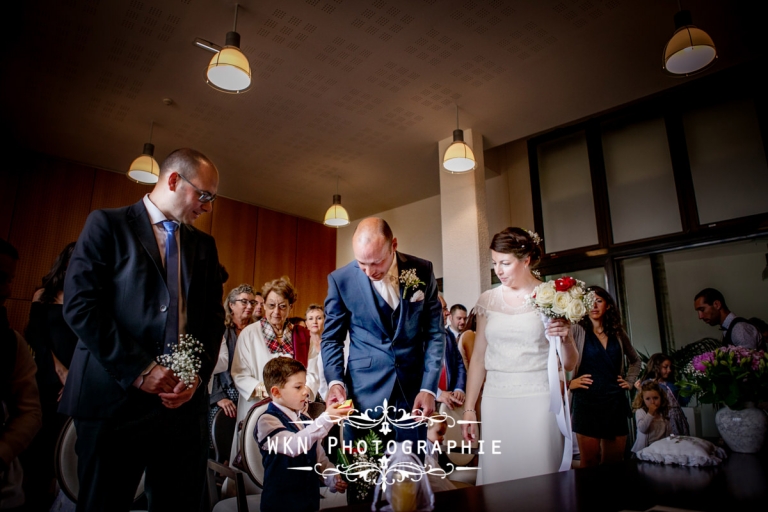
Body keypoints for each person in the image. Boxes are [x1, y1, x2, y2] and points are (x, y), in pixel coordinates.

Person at [60, 148, 226, 512]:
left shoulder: (204, 247)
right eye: (205, 195)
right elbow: (80, 305)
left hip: (181, 405)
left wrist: (195, 374)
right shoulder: (107, 224)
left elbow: (213, 319)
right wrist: (141, 370)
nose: (208, 206)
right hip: (114, 400)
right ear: (173, 181)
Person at [461, 228, 578, 484]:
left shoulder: (552, 298)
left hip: (538, 399)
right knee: (499, 476)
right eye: (494, 263)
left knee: (538, 473)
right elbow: (479, 358)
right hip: (496, 399)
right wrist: (470, 409)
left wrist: (566, 337)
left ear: (525, 260)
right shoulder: (487, 301)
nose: (498, 271)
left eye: (505, 263)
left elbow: (569, 364)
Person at [322, 217, 444, 450]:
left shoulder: (422, 270)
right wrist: (335, 382)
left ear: (393, 245)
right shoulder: (341, 280)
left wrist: (428, 388)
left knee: (409, 476)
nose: (369, 271)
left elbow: (435, 334)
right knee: (363, 476)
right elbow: (331, 339)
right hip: (363, 394)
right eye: (361, 263)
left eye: (376, 263)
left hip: (413, 394)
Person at [21, 242, 78, 511]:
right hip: (45, 376)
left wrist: (74, 379)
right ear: (65, 263)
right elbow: (36, 338)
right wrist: (59, 371)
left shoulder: (88, 299)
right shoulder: (43, 295)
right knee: (35, 446)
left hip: (75, 383)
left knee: (61, 451)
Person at [230, 277, 319, 446]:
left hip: (293, 411)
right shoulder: (250, 333)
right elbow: (240, 373)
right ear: (263, 305)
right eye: (271, 305)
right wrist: (266, 390)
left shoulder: (303, 336)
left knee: (288, 456)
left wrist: (304, 390)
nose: (276, 312)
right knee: (257, 459)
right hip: (258, 407)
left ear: (291, 307)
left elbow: (313, 371)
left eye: (282, 306)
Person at [255, 357, 348, 512]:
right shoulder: (267, 421)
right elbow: (293, 446)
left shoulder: (306, 420)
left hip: (310, 504)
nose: (306, 391)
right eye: (298, 387)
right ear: (276, 392)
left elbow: (319, 460)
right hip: (279, 506)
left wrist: (332, 478)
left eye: (304, 385)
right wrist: (327, 419)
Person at [569, 286, 641, 468]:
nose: (594, 305)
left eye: (599, 300)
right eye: (589, 301)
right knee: (589, 462)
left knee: (614, 462)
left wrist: (630, 382)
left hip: (614, 400)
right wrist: (570, 383)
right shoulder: (576, 330)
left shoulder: (617, 332)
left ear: (608, 305)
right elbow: (558, 360)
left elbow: (636, 361)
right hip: (586, 401)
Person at [1, 238, 43, 511]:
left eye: (8, 279)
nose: (6, 289)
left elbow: (30, 412)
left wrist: (3, 451)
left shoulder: (10, 343)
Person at [209, 284, 257, 439]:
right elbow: (212, 365)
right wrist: (218, 397)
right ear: (231, 304)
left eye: (252, 302)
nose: (249, 306)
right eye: (244, 302)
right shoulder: (220, 329)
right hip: (226, 393)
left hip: (252, 393)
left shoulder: (257, 331)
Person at [635, 353, 689, 436]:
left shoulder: (671, 384)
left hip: (679, 418)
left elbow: (681, 402)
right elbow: (643, 404)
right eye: (665, 367)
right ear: (656, 367)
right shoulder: (648, 384)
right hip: (664, 419)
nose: (669, 370)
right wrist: (640, 391)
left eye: (670, 367)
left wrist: (689, 388)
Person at [694, 288, 761, 349]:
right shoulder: (730, 328)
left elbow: (749, 360)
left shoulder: (739, 329)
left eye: (702, 310)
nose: (700, 316)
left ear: (717, 305)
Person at [435, 296, 465, 411]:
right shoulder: (415, 339)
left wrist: (459, 388)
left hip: (450, 402)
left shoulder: (448, 336)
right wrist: (437, 393)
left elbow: (459, 364)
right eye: (443, 309)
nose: (448, 313)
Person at [631, 381, 671, 453]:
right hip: (643, 451)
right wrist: (650, 413)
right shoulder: (640, 412)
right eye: (648, 399)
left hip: (659, 451)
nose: (652, 402)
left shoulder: (663, 413)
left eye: (655, 398)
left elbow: (667, 434)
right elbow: (642, 429)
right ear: (643, 399)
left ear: (661, 398)